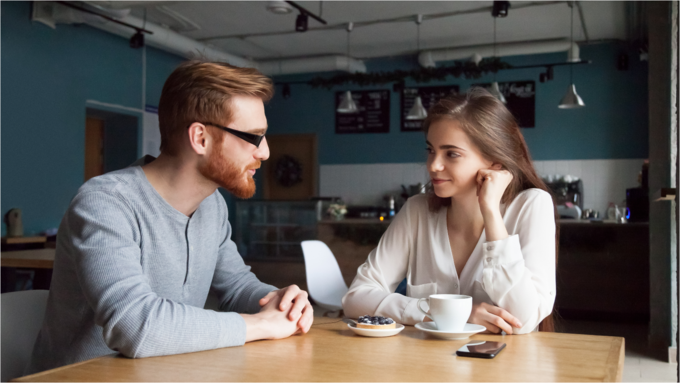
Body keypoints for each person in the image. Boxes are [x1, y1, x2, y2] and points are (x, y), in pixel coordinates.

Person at [27, 61, 313, 374]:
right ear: (200, 138)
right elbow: (134, 326)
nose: (265, 152)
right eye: (254, 137)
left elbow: (235, 287)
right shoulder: (105, 202)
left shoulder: (212, 205)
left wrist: (280, 302)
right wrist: (259, 325)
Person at [342, 88, 557, 334]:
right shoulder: (417, 212)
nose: (434, 165)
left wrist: (490, 211)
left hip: (503, 367)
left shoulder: (531, 205)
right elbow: (356, 298)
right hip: (423, 366)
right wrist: (446, 312)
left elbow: (523, 320)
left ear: (495, 162)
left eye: (452, 154)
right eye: (431, 150)